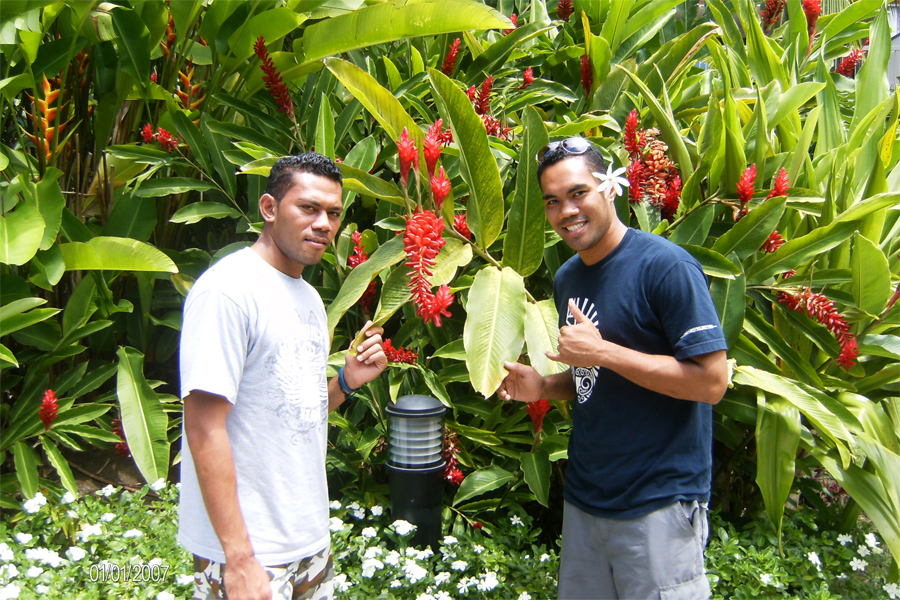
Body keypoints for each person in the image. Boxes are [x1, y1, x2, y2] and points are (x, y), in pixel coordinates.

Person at [498, 138, 728, 600]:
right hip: (587, 501)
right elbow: (594, 379)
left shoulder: (665, 267)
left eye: (578, 193)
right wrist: (543, 385)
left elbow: (711, 382)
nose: (566, 211)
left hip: (657, 504)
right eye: (552, 201)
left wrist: (605, 352)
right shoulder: (569, 279)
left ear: (610, 187)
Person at [178, 154, 387, 600]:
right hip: (247, 552)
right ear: (269, 208)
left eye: (333, 213)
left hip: (307, 539)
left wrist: (346, 382)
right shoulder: (227, 291)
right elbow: (202, 425)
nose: (323, 224)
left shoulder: (309, 297)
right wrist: (238, 560)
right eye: (308, 208)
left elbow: (296, 410)